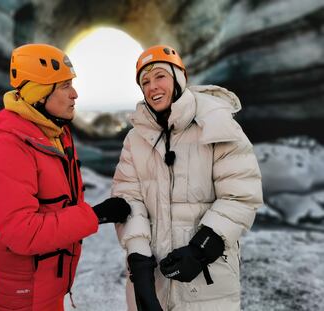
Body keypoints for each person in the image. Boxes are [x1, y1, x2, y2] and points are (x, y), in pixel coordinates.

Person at [0, 43, 131, 311]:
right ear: (39, 94)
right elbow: (21, 232)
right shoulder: (8, 147)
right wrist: (95, 216)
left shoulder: (53, 135)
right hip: (25, 296)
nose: (75, 94)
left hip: (48, 287)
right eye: (64, 86)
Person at [112, 44, 263, 311]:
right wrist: (139, 258)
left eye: (160, 76)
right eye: (144, 82)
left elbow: (241, 194)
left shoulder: (217, 123)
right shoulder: (135, 139)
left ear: (179, 78)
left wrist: (202, 249)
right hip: (155, 279)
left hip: (207, 278)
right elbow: (128, 197)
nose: (152, 87)